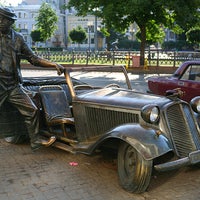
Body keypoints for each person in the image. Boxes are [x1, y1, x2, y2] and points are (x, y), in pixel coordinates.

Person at [0, 6, 65, 150]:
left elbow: (33, 58)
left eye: (3, 19)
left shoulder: (17, 38)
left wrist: (53, 64)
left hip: (12, 85)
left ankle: (35, 141)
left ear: (10, 21)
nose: (0, 21)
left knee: (32, 110)